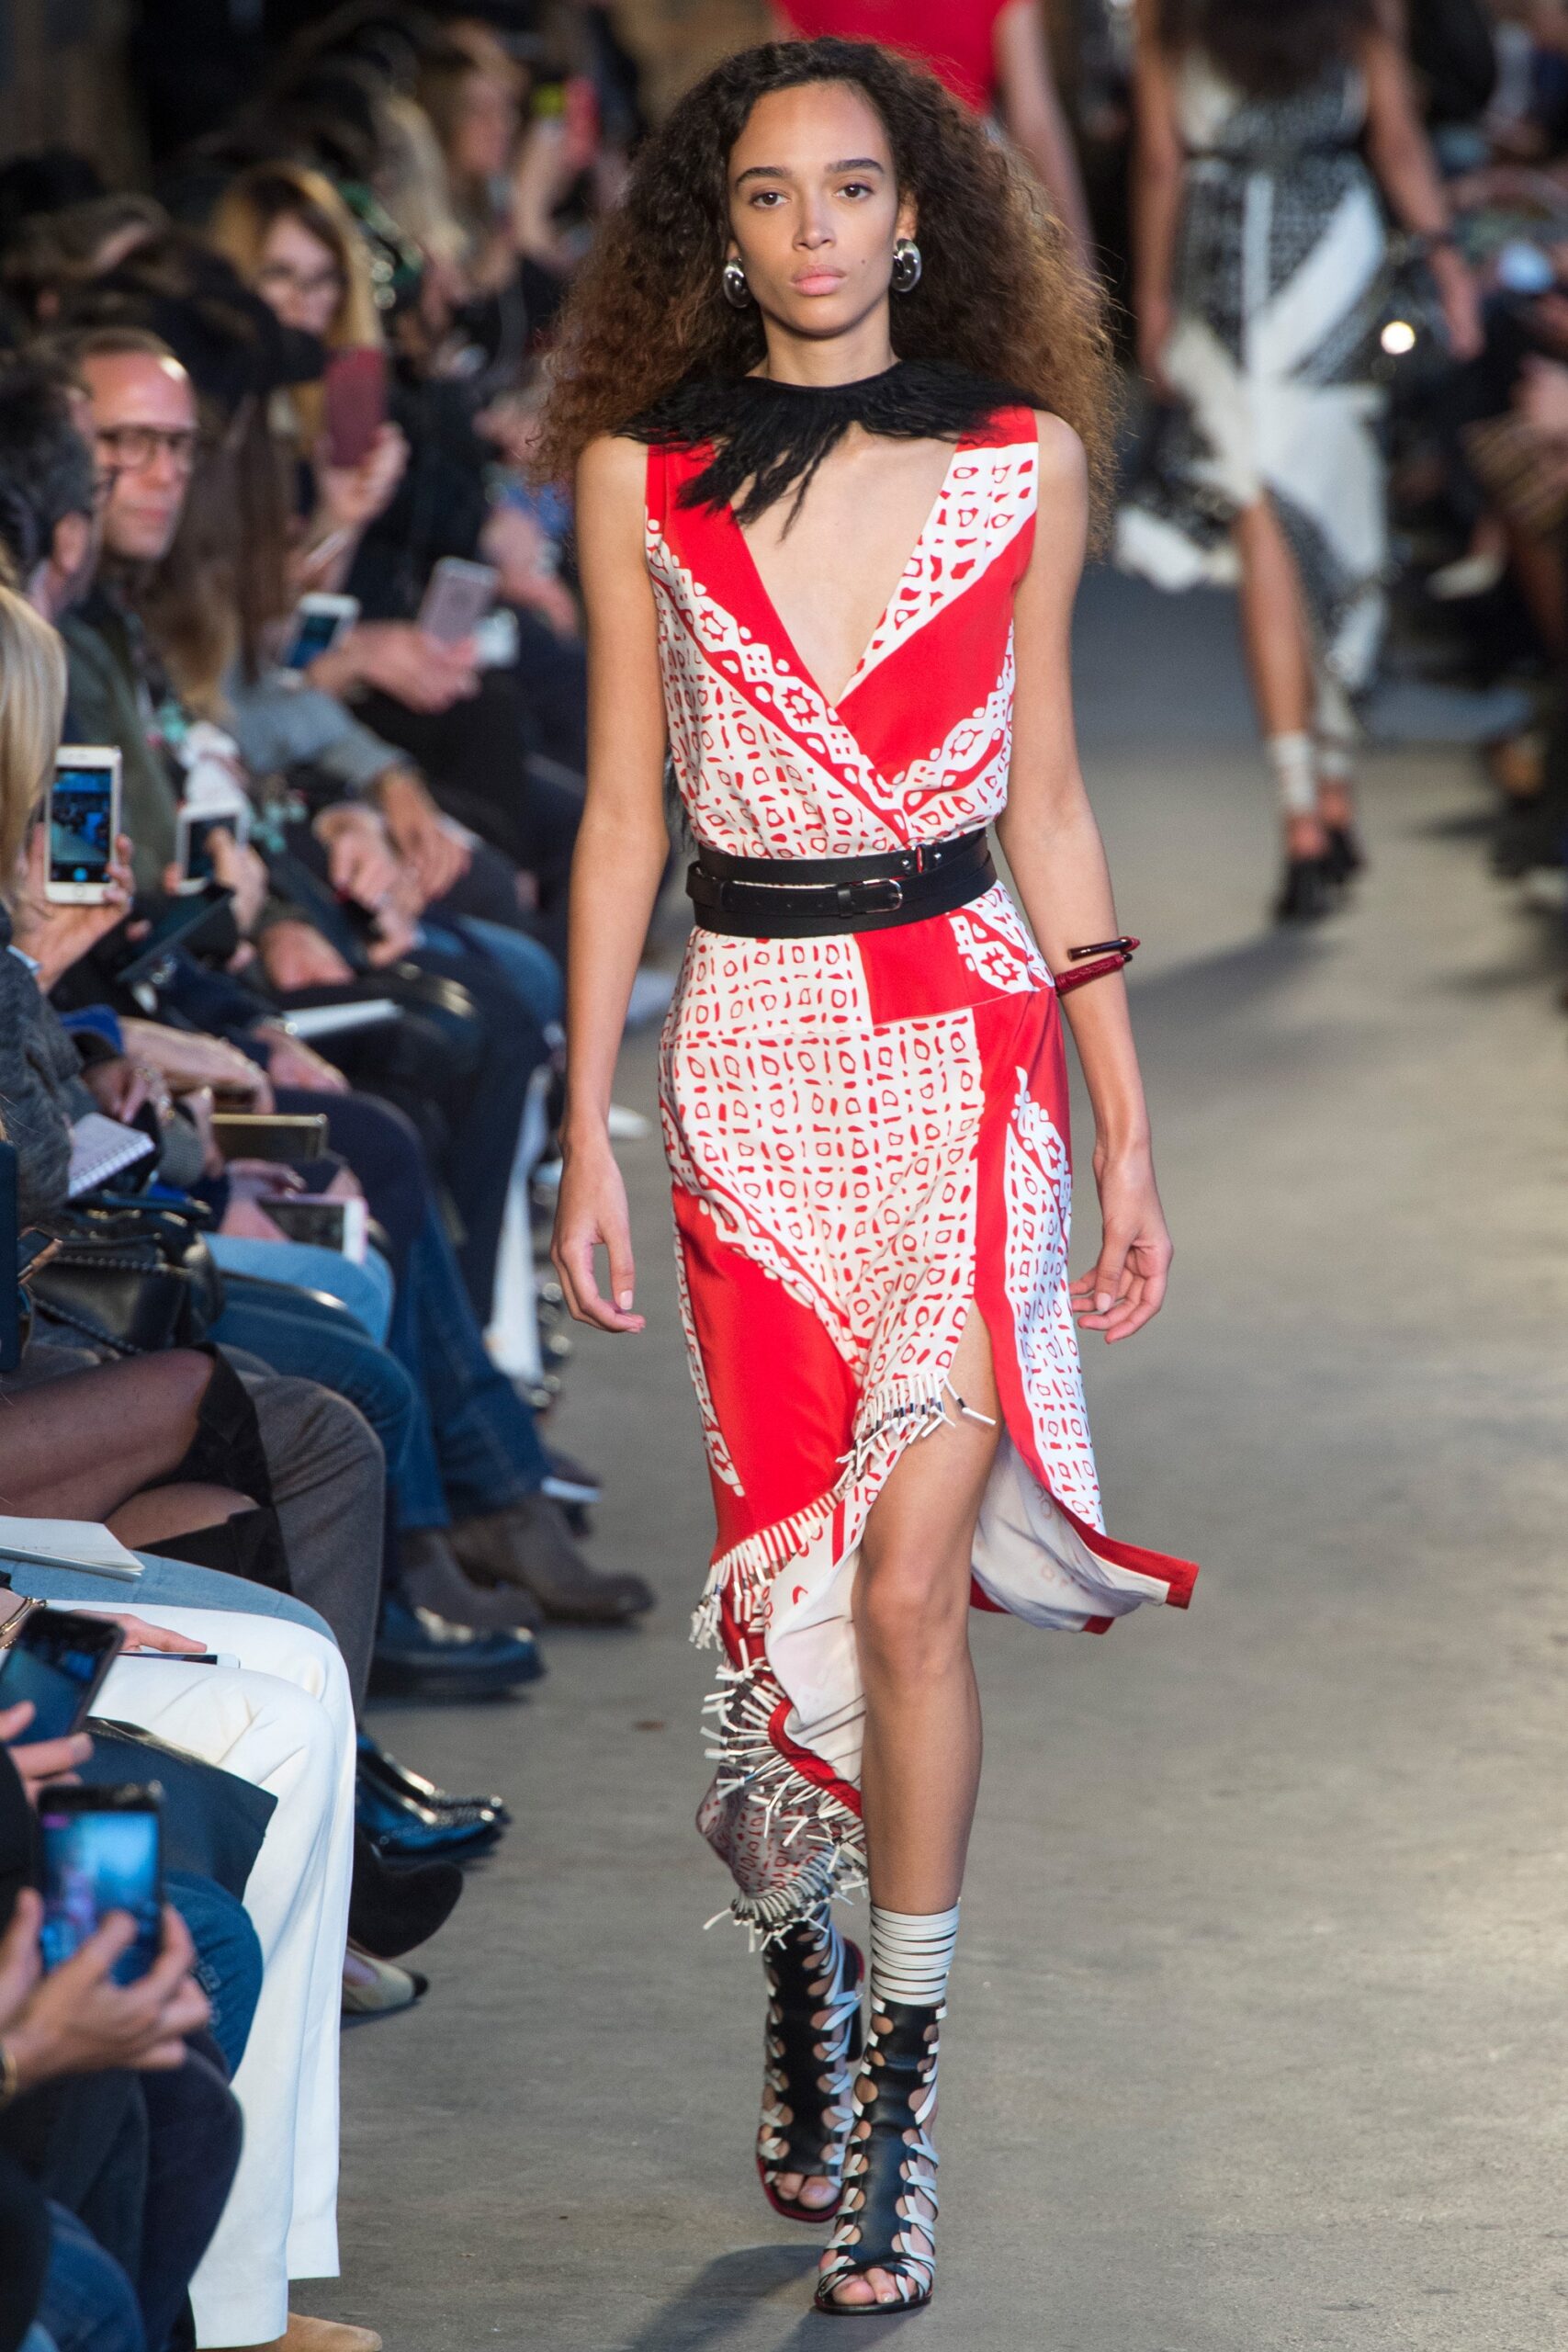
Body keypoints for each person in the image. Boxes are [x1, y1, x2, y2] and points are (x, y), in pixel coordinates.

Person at [540, 36, 1199, 2316]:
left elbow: (1052, 795)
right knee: (777, 1597)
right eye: (765, 194)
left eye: (848, 188)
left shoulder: (1023, 461)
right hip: (745, 1055)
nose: (813, 228)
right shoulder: (634, 477)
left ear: (910, 215)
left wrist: (1119, 1110)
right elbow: (622, 810)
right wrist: (576, 1138)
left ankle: (901, 2081)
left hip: (964, 1043)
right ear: (712, 235)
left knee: (907, 1588)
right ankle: (796, 1959)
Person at [1119, 0, 1484, 919]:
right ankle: (1332, 782)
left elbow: (1161, 163)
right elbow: (1398, 142)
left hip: (1228, 273)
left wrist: (1154, 303)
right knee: (1334, 511)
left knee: (1265, 529)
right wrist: (1445, 268)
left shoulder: (1175, 21)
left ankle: (1301, 813)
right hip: (1332, 264)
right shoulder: (1358, 14)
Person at [773, 0, 1095, 261]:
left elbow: (1034, 117)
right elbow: (784, 95)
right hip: (852, 197)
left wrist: (1077, 250)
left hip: (964, 194)